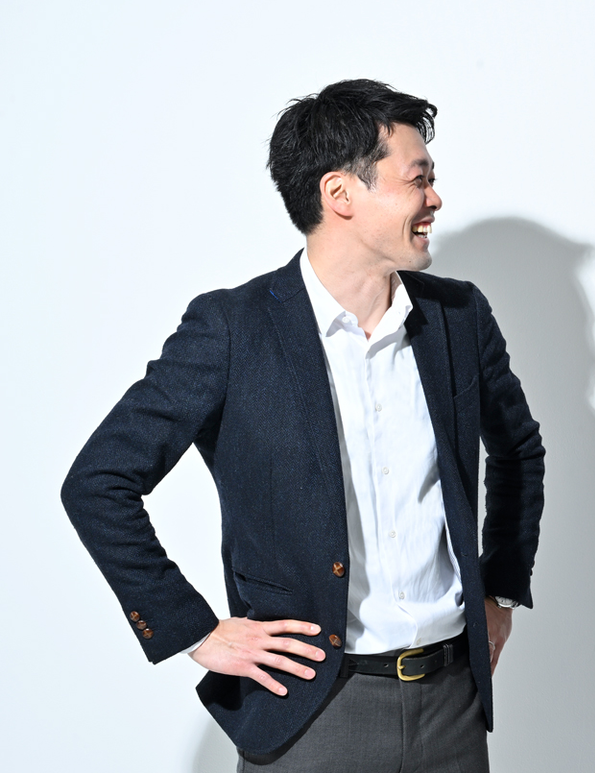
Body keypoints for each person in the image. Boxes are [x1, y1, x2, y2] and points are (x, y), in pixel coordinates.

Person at [60, 79, 544, 771]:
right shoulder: (233, 329)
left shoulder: (457, 317)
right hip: (311, 710)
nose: (435, 199)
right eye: (418, 179)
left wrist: (500, 588)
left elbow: (519, 451)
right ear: (340, 194)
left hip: (452, 707)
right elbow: (98, 482)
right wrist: (192, 629)